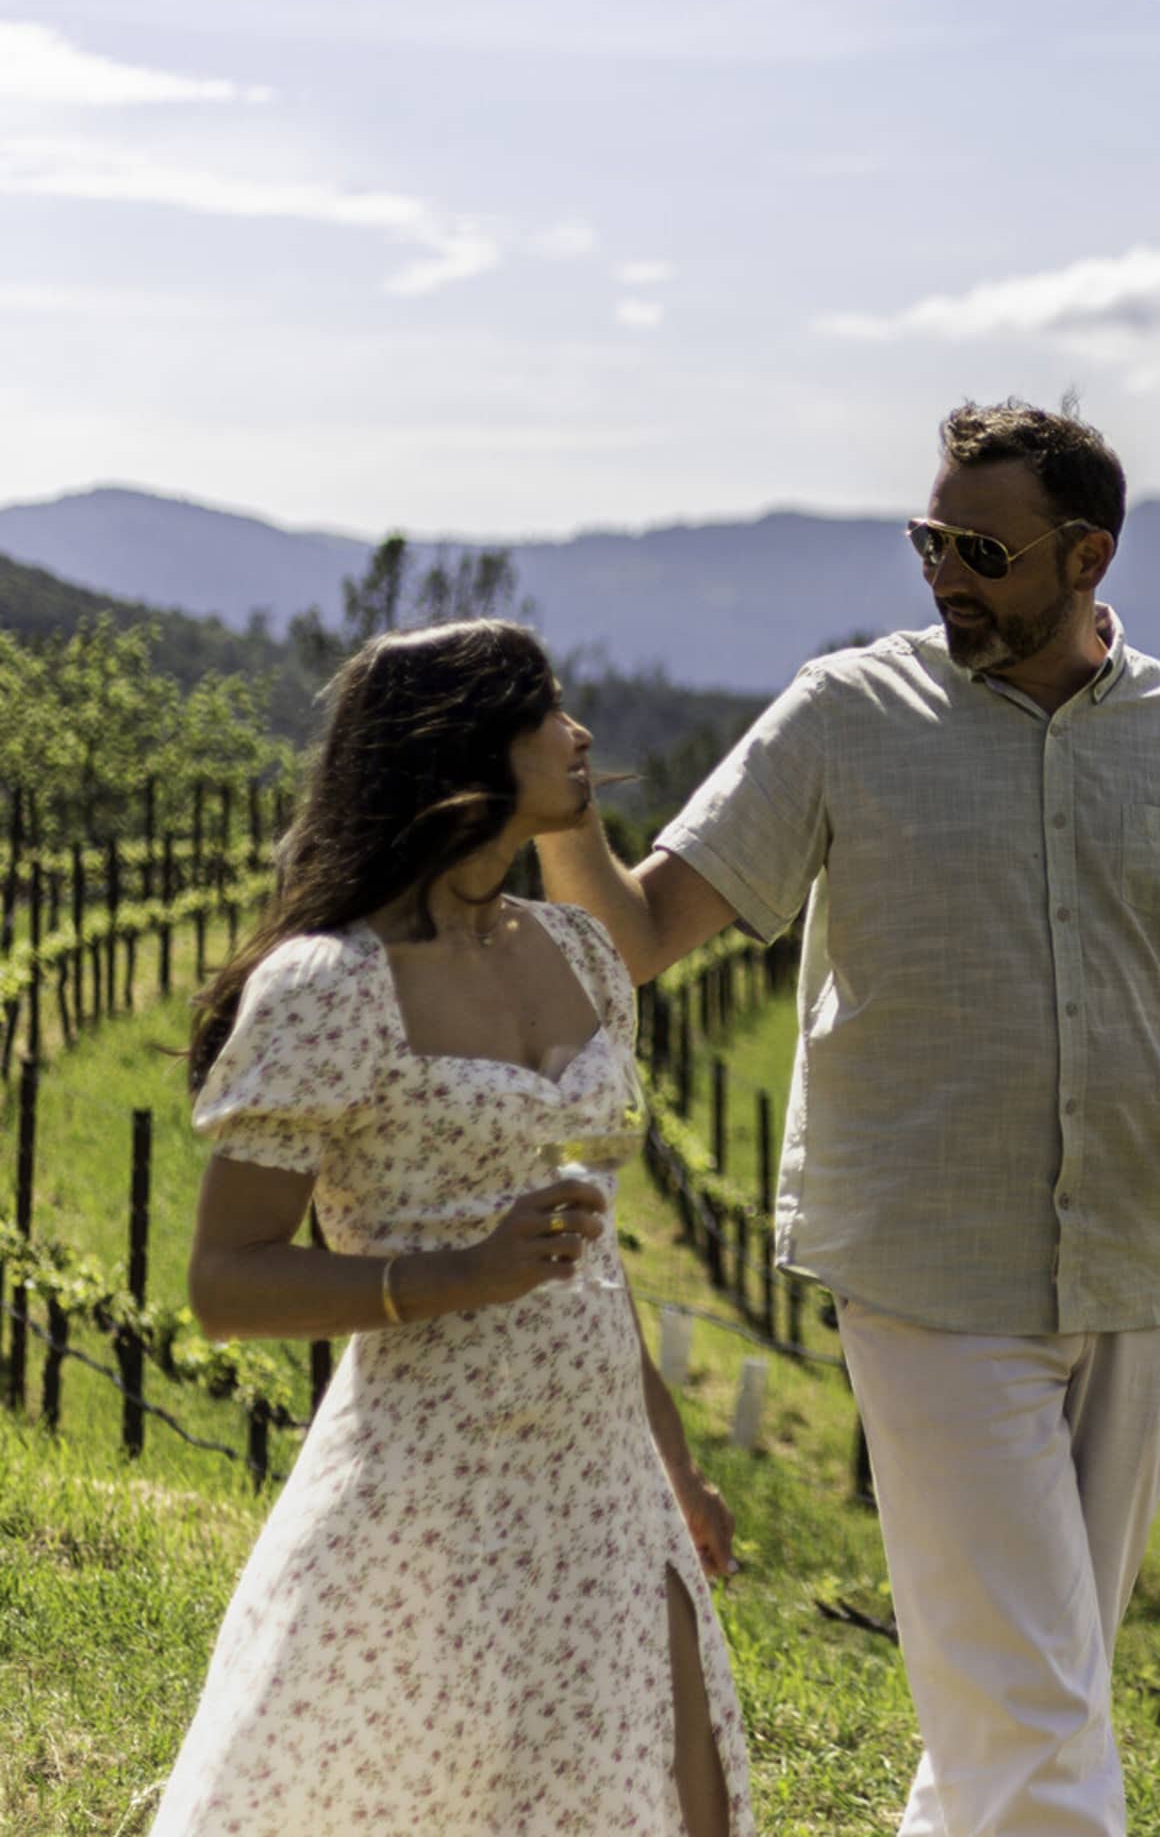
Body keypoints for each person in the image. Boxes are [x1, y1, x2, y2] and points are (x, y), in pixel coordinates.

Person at [535, 399, 1160, 1837]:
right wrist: (557, 813)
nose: (944, 573)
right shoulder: (845, 713)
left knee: (1022, 1688)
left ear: (1086, 556)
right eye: (928, 540)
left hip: (1144, 1263)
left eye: (981, 550)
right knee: (1031, 1704)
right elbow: (636, 937)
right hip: (928, 1266)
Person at [150, 620, 754, 1837]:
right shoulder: (329, 985)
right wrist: (461, 1272)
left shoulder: (581, 952)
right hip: (429, 1484)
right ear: (463, 743)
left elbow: (589, 1249)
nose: (579, 733)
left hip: (603, 1473)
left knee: (668, 1796)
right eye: (547, 710)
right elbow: (225, 1282)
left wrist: (674, 1457)